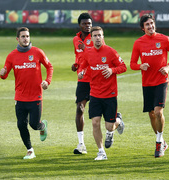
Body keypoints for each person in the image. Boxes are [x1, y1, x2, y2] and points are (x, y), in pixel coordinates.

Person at [0, 27, 53, 159]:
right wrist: (2, 74)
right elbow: (5, 74)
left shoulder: (37, 52)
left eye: (27, 36)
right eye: (23, 36)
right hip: (20, 96)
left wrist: (47, 81)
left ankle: (42, 126)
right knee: (21, 124)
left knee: (34, 125)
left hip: (36, 96)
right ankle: (30, 150)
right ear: (18, 39)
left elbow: (49, 66)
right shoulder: (12, 56)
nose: (25, 39)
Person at [130, 14, 169, 158]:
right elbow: (132, 64)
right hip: (147, 82)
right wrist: (140, 66)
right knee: (151, 114)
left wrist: (168, 67)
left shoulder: (165, 39)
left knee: (158, 112)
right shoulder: (138, 43)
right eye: (147, 25)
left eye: (152, 23)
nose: (151, 26)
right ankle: (162, 141)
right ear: (143, 28)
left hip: (162, 81)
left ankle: (158, 144)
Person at [78, 26, 126, 160]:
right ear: (91, 38)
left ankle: (118, 122)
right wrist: (81, 72)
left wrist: (112, 70)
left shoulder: (111, 52)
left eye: (100, 35)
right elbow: (83, 64)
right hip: (94, 94)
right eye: (95, 36)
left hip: (110, 94)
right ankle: (101, 152)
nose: (98, 38)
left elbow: (123, 67)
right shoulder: (88, 53)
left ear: (103, 36)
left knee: (109, 126)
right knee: (95, 122)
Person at [71, 13, 94, 155]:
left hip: (96, 79)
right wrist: (76, 64)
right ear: (80, 25)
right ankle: (81, 144)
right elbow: (78, 56)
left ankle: (116, 118)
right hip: (83, 80)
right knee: (80, 109)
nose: (88, 26)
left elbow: (98, 56)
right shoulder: (75, 39)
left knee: (101, 112)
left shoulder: (97, 37)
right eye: (85, 23)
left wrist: (85, 48)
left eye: (89, 23)